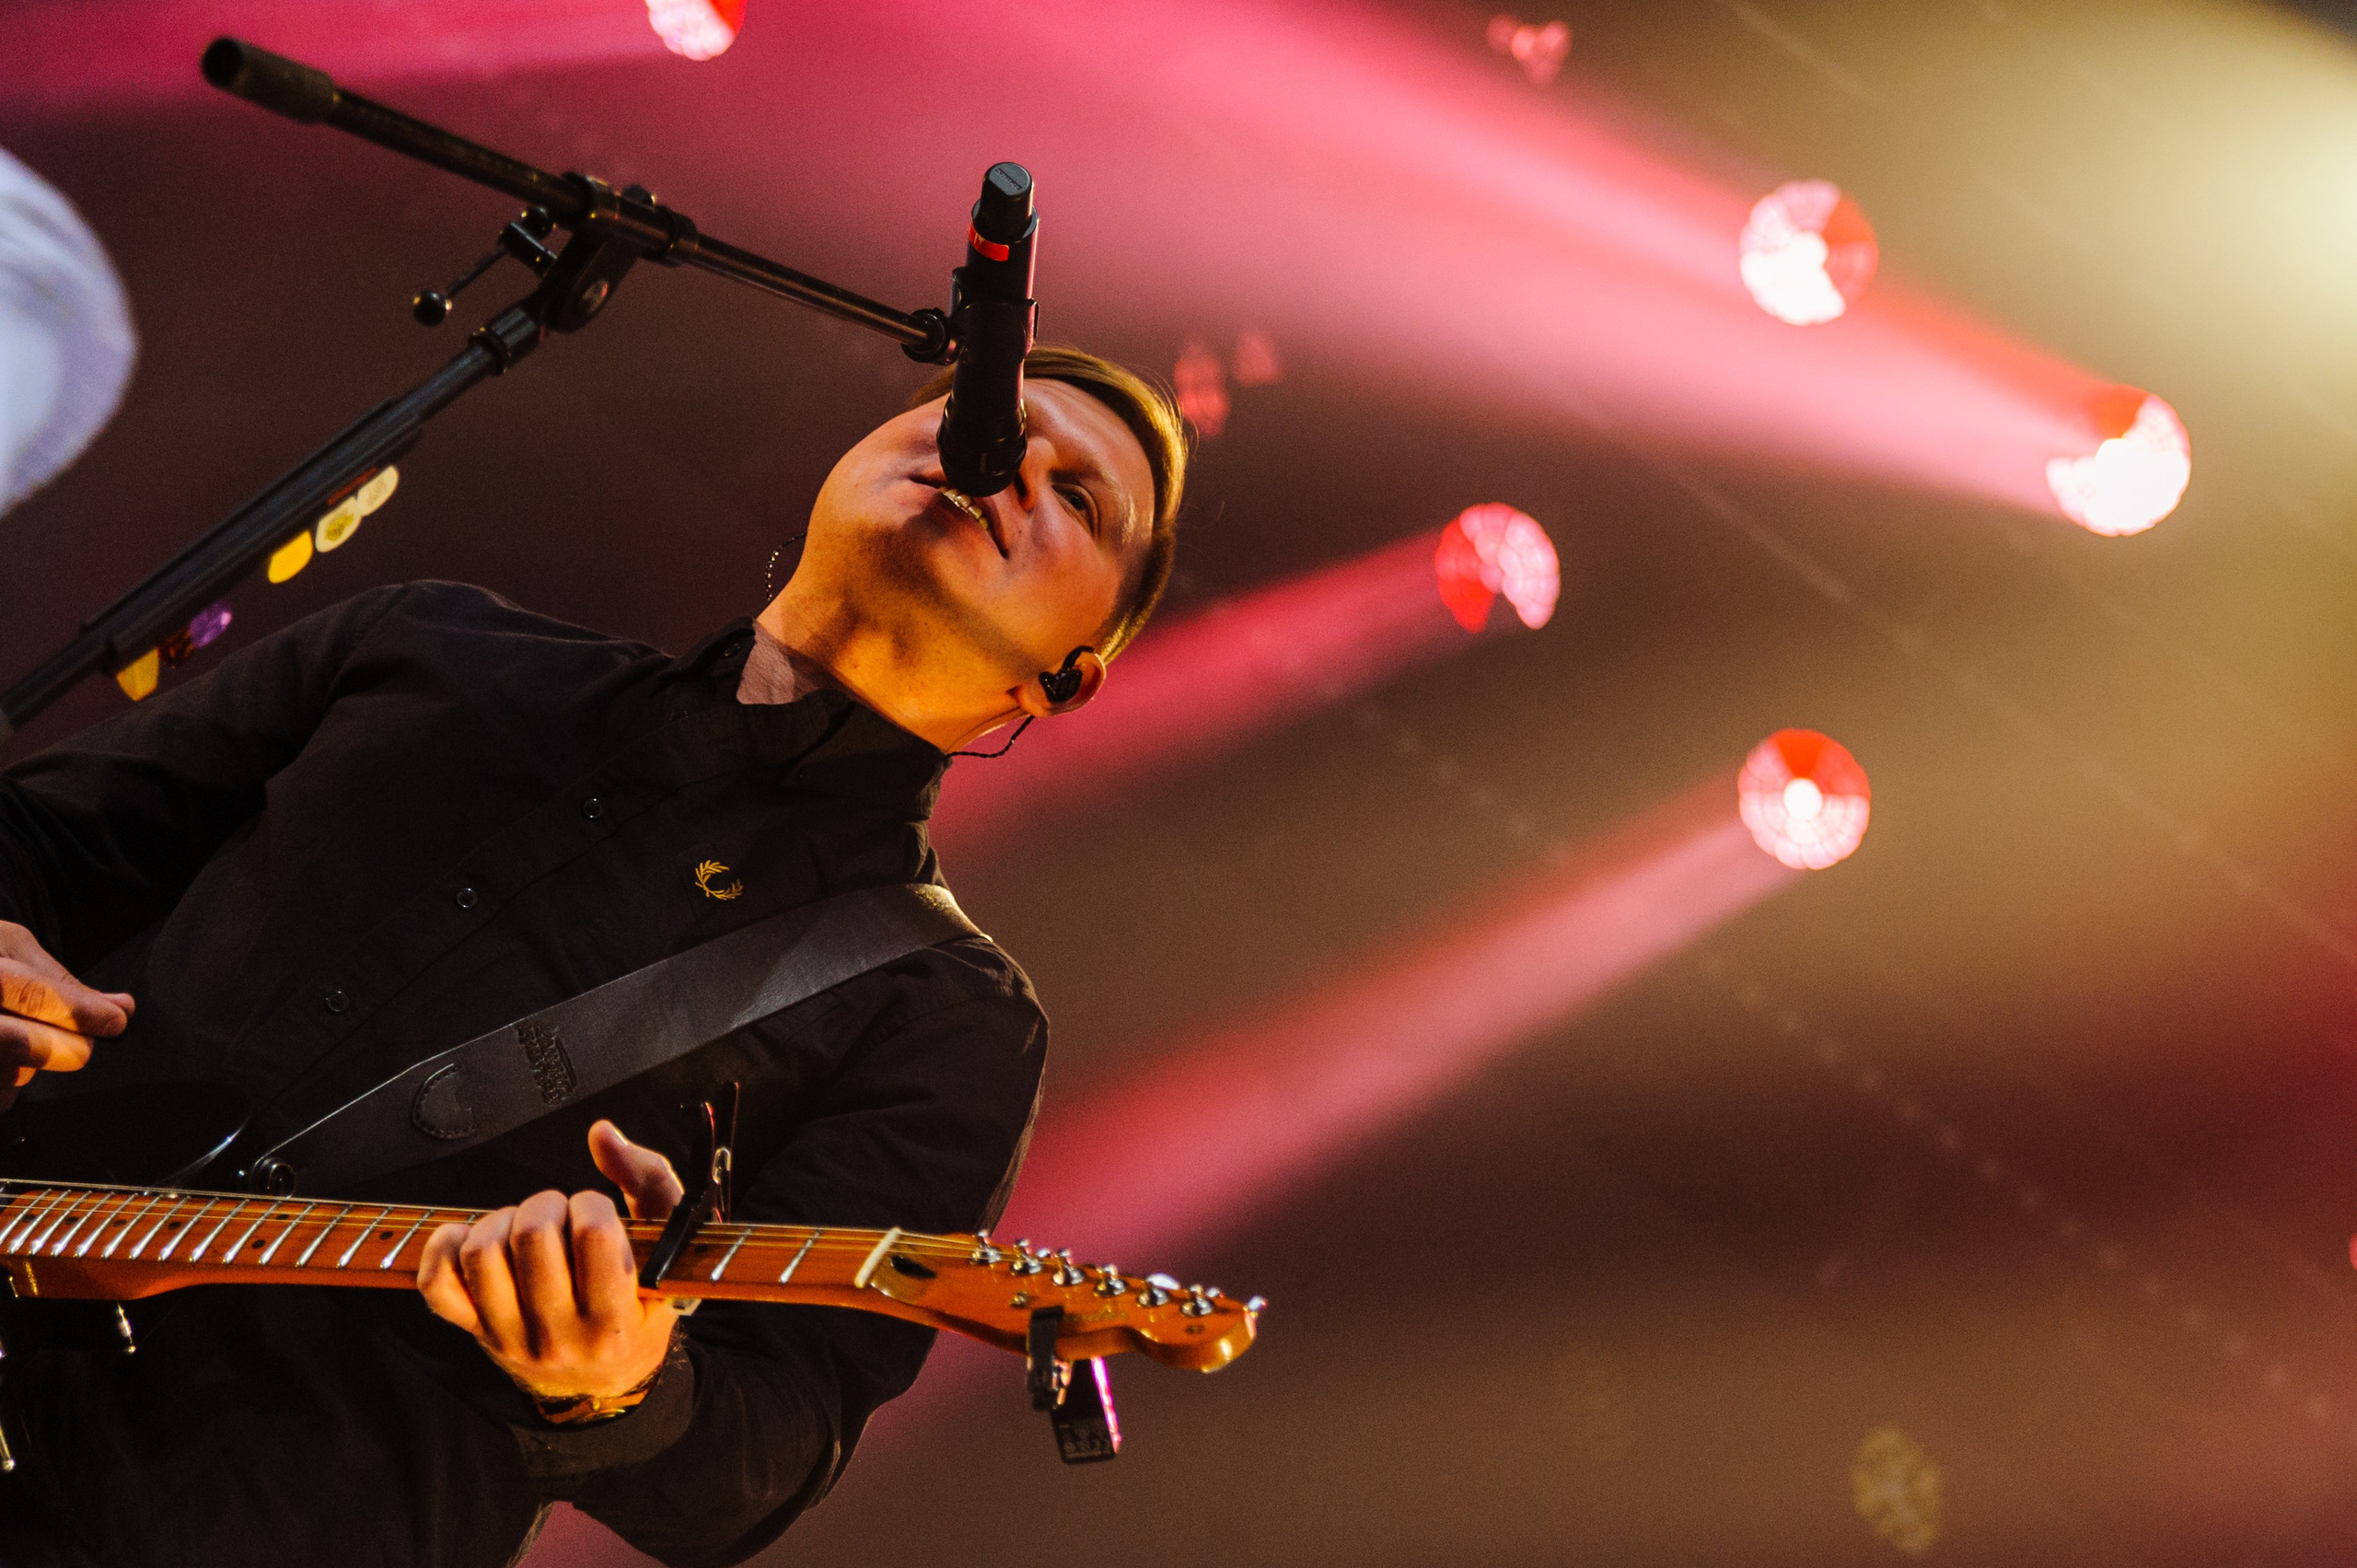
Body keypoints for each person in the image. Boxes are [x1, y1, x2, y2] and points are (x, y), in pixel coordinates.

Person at [0, 344, 1187, 1568]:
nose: (1004, 461)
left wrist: (618, 1387)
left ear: (1066, 679)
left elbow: (767, 1449)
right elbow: (32, 838)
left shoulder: (947, 1016)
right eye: (988, 415)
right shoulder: (432, 643)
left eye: (1076, 495)